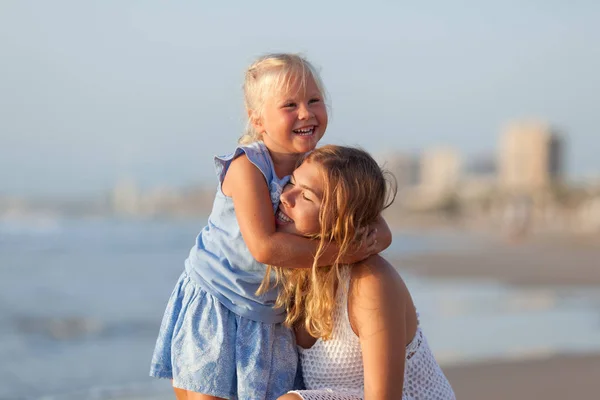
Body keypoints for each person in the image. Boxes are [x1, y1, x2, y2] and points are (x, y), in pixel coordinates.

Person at [149, 54, 391, 400]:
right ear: (257, 119)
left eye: (313, 100)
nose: (305, 113)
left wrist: (367, 239)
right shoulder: (247, 167)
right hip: (220, 303)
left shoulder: (317, 165)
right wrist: (346, 250)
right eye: (289, 105)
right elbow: (264, 246)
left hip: (273, 315)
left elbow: (379, 228)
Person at [260, 145, 455, 400]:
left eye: (307, 197)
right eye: (291, 183)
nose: (286, 196)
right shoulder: (298, 275)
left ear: (341, 218)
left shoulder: (370, 281)